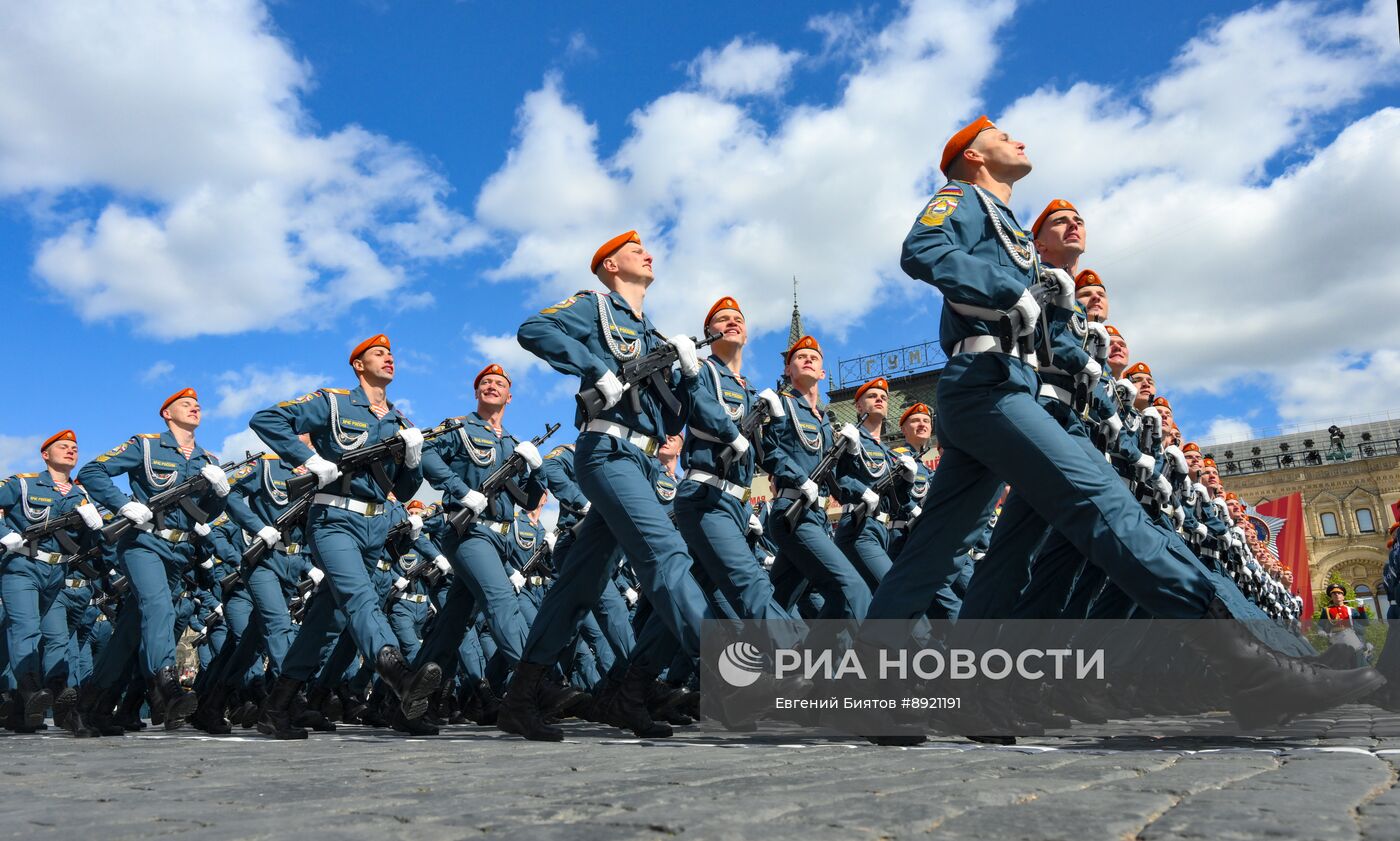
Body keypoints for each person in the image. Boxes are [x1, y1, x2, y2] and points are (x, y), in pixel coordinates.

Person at [861, 115, 1382, 741]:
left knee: (933, 553)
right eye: (1002, 135)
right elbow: (921, 251)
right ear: (973, 157)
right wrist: (1011, 290)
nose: (1018, 139)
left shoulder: (1016, 238)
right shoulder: (963, 199)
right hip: (989, 382)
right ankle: (1247, 667)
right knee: (1106, 510)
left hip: (1009, 388)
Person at [500, 231, 714, 741]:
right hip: (608, 451)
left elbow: (674, 415)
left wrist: (688, 373)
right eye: (634, 250)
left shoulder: (655, 333)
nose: (648, 253)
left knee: (580, 583)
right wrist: (595, 367)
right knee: (666, 557)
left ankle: (527, 697)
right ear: (611, 266)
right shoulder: (594, 307)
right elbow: (533, 329)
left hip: (641, 461)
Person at [248, 334, 441, 739]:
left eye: (391, 353)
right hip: (333, 518)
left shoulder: (400, 422)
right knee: (360, 598)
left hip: (374, 526)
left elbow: (403, 492)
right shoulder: (334, 403)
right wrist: (310, 459)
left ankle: (278, 705)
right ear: (358, 365)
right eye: (378, 353)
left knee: (327, 620)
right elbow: (266, 419)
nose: (388, 358)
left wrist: (412, 457)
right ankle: (398, 676)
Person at [79, 388, 231, 731]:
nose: (194, 408)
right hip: (143, 542)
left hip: (179, 551)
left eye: (197, 405)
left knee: (131, 630)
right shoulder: (146, 446)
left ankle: (93, 703)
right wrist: (122, 503)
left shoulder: (209, 460)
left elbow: (205, 515)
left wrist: (221, 494)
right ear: (167, 414)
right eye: (185, 405)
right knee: (160, 607)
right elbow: (92, 472)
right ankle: (166, 683)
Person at [0, 430, 104, 735]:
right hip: (22, 566)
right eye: (63, 447)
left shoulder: (80, 495)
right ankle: (31, 690)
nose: (71, 450)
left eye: (74, 447)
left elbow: (84, 544)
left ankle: (57, 696)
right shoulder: (22, 483)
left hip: (57, 573)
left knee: (58, 637)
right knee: (26, 629)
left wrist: (94, 525)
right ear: (45, 454)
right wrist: (4, 530)